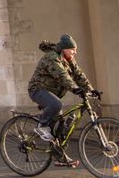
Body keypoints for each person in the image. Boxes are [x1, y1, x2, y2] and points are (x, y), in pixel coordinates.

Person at [27, 34, 91, 169]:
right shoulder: (52, 58)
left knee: (61, 124)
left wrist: (91, 90)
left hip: (51, 93)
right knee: (56, 104)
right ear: (64, 49)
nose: (75, 52)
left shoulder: (68, 60)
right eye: (73, 49)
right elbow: (62, 76)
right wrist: (75, 89)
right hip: (37, 90)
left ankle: (60, 157)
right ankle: (41, 126)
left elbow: (78, 75)